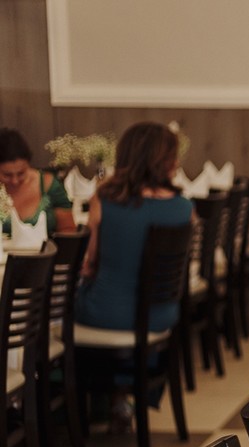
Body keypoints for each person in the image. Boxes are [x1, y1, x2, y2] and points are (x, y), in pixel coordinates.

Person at [76, 121, 193, 431]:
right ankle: (124, 396)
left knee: (55, 316)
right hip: (161, 314)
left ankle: (78, 408)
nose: (177, 163)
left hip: (108, 312)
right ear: (161, 161)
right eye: (173, 156)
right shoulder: (185, 208)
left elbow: (90, 264)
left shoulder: (105, 199)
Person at [0, 127, 74, 235]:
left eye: (21, 173)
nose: (14, 181)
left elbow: (68, 229)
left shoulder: (48, 185)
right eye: (7, 175)